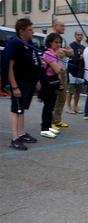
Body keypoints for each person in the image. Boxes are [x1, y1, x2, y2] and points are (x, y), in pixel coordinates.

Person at [1, 18, 41, 150]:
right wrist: (14, 86)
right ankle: (14, 138)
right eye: (30, 30)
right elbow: (9, 67)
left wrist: (36, 80)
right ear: (21, 31)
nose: (33, 33)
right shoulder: (14, 45)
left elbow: (34, 62)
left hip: (29, 81)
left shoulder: (28, 43)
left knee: (21, 109)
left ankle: (22, 133)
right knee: (16, 109)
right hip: (19, 82)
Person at [47, 19, 74, 130]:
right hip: (54, 72)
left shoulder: (64, 40)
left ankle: (58, 119)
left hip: (64, 69)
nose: (64, 28)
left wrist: (65, 51)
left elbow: (71, 52)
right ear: (55, 26)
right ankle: (51, 120)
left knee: (62, 96)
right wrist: (65, 51)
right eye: (62, 26)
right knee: (54, 96)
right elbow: (58, 53)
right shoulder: (49, 37)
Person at [39, 33, 65, 138]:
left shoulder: (55, 54)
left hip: (54, 82)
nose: (58, 44)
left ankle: (48, 125)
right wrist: (60, 68)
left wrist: (60, 68)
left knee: (52, 106)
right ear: (50, 42)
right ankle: (44, 128)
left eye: (59, 42)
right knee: (48, 106)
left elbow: (62, 69)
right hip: (48, 83)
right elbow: (58, 69)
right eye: (56, 42)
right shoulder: (48, 54)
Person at [66, 30, 85, 115]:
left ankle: (75, 106)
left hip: (80, 72)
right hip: (72, 71)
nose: (80, 36)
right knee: (70, 90)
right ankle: (68, 107)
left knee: (78, 90)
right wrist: (78, 56)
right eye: (78, 35)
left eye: (81, 35)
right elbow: (70, 57)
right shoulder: (71, 45)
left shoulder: (83, 47)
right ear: (75, 36)